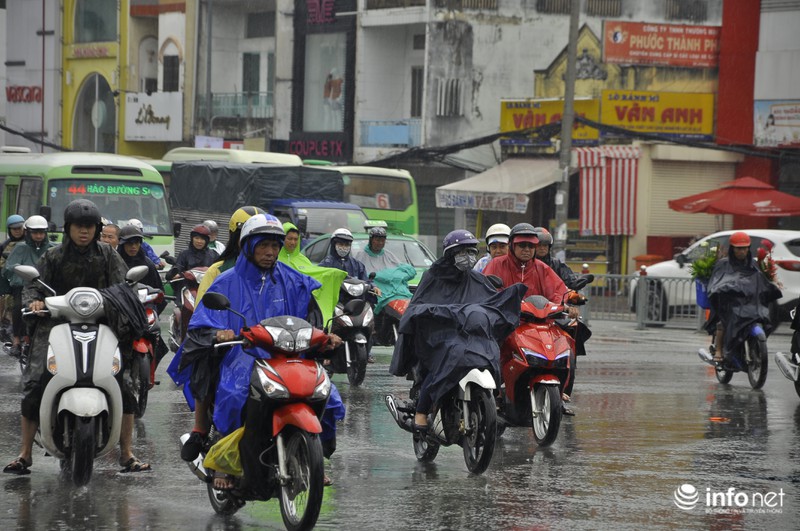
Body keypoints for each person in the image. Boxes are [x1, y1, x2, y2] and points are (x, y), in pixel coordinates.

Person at [167, 214, 345, 489]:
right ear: (248, 245)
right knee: (234, 393)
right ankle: (223, 463)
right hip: (243, 354)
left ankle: (313, 456)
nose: (270, 252)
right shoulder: (225, 281)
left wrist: (324, 336)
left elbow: (312, 318)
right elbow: (203, 322)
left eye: (275, 246)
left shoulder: (294, 280)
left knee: (328, 396)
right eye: (263, 246)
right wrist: (219, 332)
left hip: (289, 355)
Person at [3, 199, 150, 475]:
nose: (84, 232)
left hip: (103, 323)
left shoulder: (108, 254)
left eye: (90, 227)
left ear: (96, 229)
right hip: (56, 323)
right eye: (79, 227)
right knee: (35, 379)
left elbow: (124, 284)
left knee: (125, 381)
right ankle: (24, 454)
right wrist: (36, 302)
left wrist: (131, 296)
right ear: (68, 228)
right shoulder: (54, 256)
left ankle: (127, 454)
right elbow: (34, 286)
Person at [389, 229, 526, 430]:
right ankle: (422, 411)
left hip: (471, 336)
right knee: (450, 354)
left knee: (490, 349)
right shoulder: (433, 277)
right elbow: (416, 308)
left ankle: (491, 402)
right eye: (463, 252)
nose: (468, 257)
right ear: (451, 254)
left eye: (471, 252)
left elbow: (491, 304)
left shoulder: (477, 279)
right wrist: (438, 313)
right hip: (440, 336)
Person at [704, 231, 782, 363]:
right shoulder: (723, 264)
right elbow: (716, 282)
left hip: (749, 303)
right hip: (729, 303)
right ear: (732, 248)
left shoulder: (753, 264)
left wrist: (773, 285)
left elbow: (760, 280)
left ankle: (753, 346)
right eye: (738, 248)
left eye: (745, 248)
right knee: (722, 321)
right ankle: (719, 349)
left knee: (764, 318)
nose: (742, 251)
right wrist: (724, 288)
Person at [1, 216, 56, 359]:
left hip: (45, 288)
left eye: (41, 232)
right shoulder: (20, 248)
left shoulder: (52, 249)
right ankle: (17, 341)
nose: (39, 236)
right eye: (35, 232)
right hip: (22, 286)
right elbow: (10, 267)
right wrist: (23, 274)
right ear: (28, 232)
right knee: (19, 305)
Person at [483, 223, 570, 307]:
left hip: (538, 320)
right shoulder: (496, 264)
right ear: (512, 246)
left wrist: (563, 306)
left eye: (531, 246)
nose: (527, 250)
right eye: (522, 245)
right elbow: (484, 291)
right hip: (503, 318)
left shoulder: (542, 268)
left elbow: (558, 292)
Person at [196, 206, 266, 304]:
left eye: (260, 238)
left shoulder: (280, 275)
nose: (254, 243)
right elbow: (202, 313)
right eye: (247, 236)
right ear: (234, 236)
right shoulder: (217, 271)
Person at [117, 224, 165, 307]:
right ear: (122, 244)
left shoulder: (147, 264)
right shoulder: (114, 262)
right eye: (129, 243)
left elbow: (159, 293)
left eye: (136, 243)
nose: (133, 247)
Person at [0, 215, 26, 337]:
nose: (17, 231)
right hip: (11, 283)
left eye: (19, 228)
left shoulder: (30, 244)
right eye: (13, 228)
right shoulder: (4, 246)